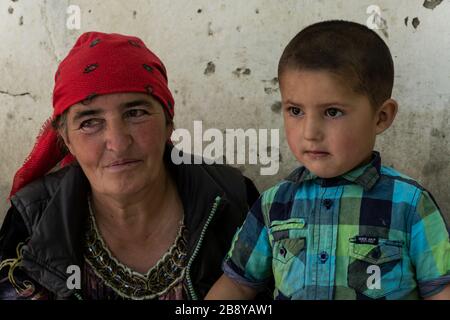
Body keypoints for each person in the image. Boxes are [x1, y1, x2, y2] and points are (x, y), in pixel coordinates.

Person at [0, 32, 259, 300]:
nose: (118, 142)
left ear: (168, 123)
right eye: (90, 122)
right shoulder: (31, 223)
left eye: (136, 113)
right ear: (67, 140)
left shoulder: (235, 201)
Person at [206, 20, 450, 300]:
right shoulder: (274, 205)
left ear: (381, 117)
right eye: (295, 110)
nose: (310, 133)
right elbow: (238, 284)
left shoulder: (410, 204)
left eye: (332, 112)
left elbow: (440, 290)